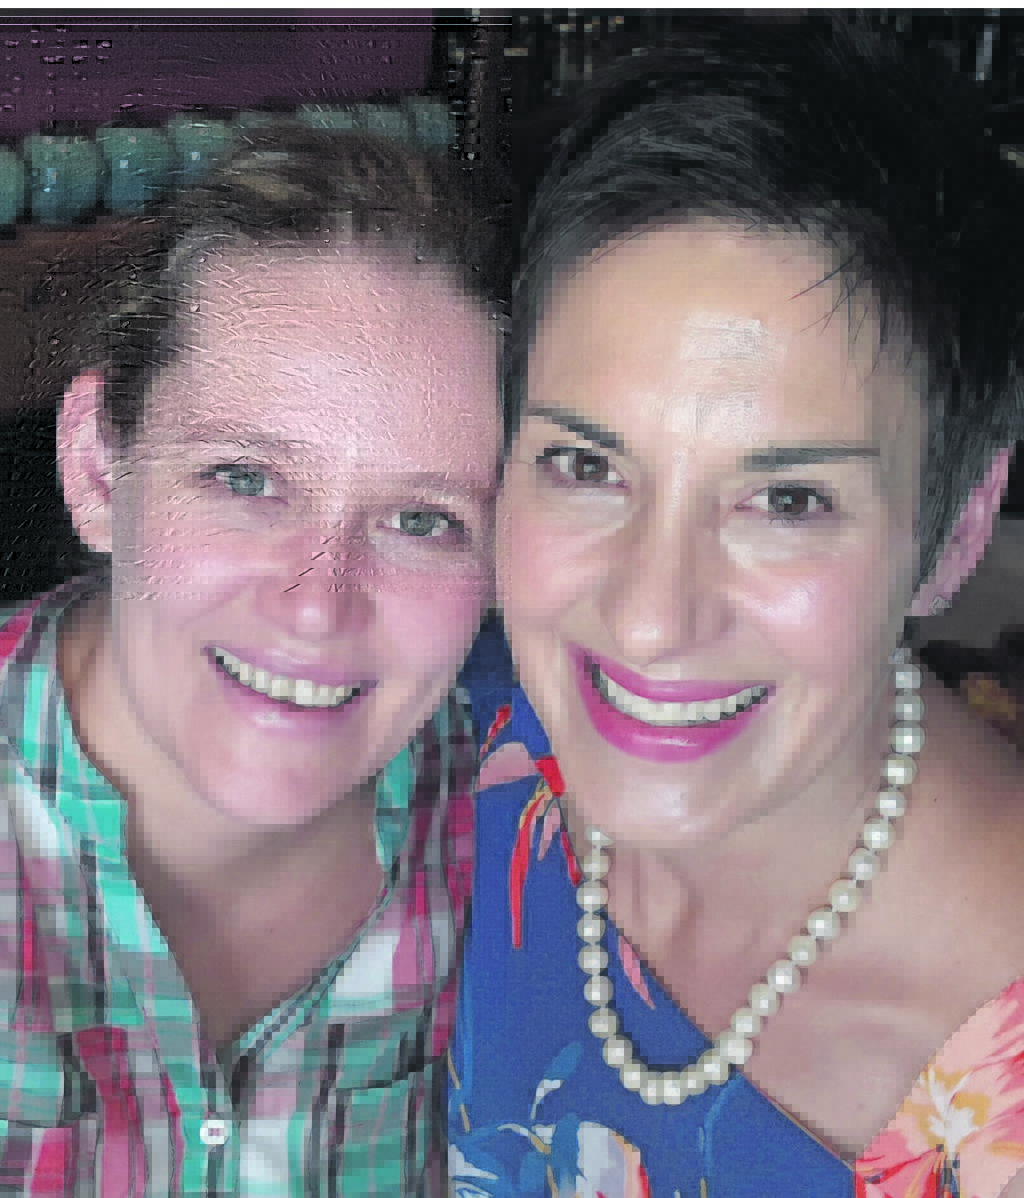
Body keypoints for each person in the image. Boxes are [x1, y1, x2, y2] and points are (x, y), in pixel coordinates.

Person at [449, 16, 1024, 1197]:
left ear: (955, 532)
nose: (649, 619)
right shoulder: (464, 740)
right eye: (585, 465)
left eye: (788, 500)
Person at [0, 120, 501, 1195]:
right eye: (244, 479)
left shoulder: (530, 838)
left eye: (422, 520)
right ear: (97, 465)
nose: (317, 605)